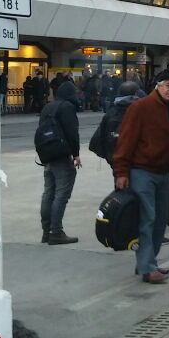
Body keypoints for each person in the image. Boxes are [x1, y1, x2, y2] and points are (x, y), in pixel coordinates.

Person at [112, 69, 169, 284]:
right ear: (158, 86)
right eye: (167, 86)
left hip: (163, 171)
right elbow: (125, 142)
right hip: (142, 171)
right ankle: (147, 268)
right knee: (147, 219)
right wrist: (122, 172)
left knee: (160, 221)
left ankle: (148, 262)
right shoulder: (140, 108)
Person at [39, 81, 82, 245]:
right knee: (61, 195)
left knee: (48, 193)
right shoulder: (67, 107)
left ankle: (46, 232)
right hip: (62, 156)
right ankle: (56, 232)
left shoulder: (48, 107)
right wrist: (76, 154)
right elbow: (72, 132)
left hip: (47, 155)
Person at [89, 81, 141, 167]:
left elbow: (99, 138)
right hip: (136, 161)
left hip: (116, 160)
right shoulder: (142, 110)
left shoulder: (111, 112)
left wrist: (109, 157)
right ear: (136, 93)